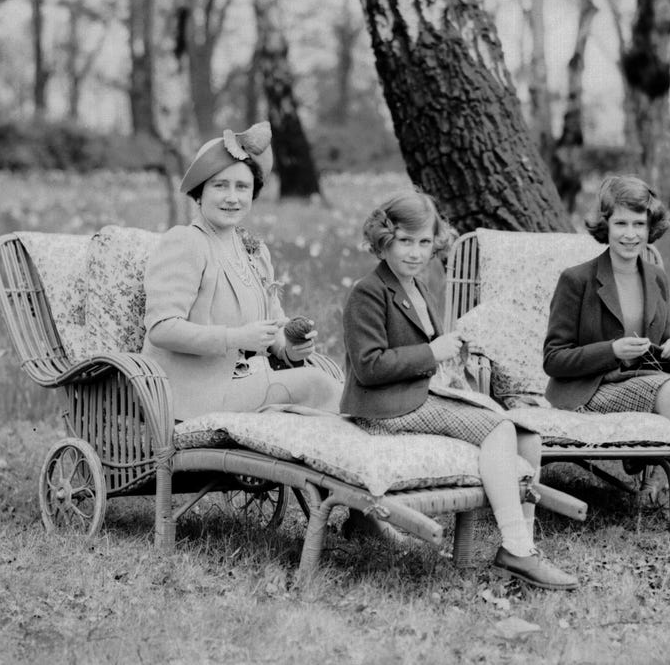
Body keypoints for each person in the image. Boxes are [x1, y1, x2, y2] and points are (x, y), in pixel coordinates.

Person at [340, 189, 579, 590]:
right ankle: (516, 552)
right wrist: (430, 351)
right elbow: (368, 367)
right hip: (386, 406)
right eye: (404, 241)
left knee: (524, 435)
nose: (415, 253)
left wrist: (450, 357)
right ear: (383, 239)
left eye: (424, 243)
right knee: (498, 430)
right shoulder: (368, 291)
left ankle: (524, 540)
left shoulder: (419, 287)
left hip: (416, 394)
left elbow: (425, 352)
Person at [543, 175, 670, 530]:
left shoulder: (656, 277)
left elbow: (663, 339)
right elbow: (553, 358)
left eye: (638, 224)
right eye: (621, 223)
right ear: (605, 225)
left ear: (651, 227)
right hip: (591, 389)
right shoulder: (577, 280)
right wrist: (611, 350)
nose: (630, 234)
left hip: (644, 381)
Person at [142, 121, 341, 422]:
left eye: (242, 187)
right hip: (191, 394)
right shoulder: (186, 242)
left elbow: (272, 330)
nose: (232, 197)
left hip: (244, 384)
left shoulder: (255, 251)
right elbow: (162, 328)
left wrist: (291, 350)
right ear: (199, 193)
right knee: (318, 385)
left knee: (323, 383)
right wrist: (235, 337)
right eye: (220, 186)